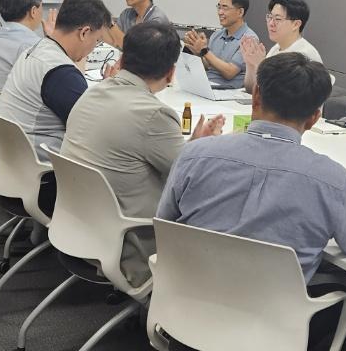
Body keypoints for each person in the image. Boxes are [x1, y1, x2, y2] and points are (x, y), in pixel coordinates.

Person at [157, 52, 346, 351]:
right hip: (270, 333)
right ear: (315, 116)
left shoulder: (195, 155)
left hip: (189, 315)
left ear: (256, 97)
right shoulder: (330, 179)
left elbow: (165, 226)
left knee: (234, 279)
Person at [60, 22, 224, 287]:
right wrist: (203, 149)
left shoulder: (93, 92)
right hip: (132, 246)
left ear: (123, 59)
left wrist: (193, 145)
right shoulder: (154, 114)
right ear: (171, 73)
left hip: (79, 226)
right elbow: (192, 180)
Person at [0, 0, 111, 211]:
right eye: (96, 41)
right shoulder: (60, 73)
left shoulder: (36, 49)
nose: (93, 48)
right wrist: (112, 90)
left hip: (14, 169)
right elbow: (96, 132)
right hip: (44, 181)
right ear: (84, 32)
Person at [241, 0, 324, 93]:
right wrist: (250, 64)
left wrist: (260, 65)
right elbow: (251, 89)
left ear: (296, 24)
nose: (271, 23)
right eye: (270, 17)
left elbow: (281, 95)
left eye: (278, 19)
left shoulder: (304, 55)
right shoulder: (276, 49)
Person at [183, 0, 258, 89]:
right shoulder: (217, 35)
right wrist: (198, 52)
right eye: (219, 7)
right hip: (208, 85)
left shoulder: (249, 39)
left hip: (227, 91)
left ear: (240, 12)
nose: (220, 12)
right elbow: (208, 66)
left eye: (225, 8)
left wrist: (204, 51)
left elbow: (229, 72)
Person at [104, 0, 168, 50]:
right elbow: (113, 41)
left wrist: (111, 24)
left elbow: (137, 50)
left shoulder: (157, 19)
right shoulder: (126, 14)